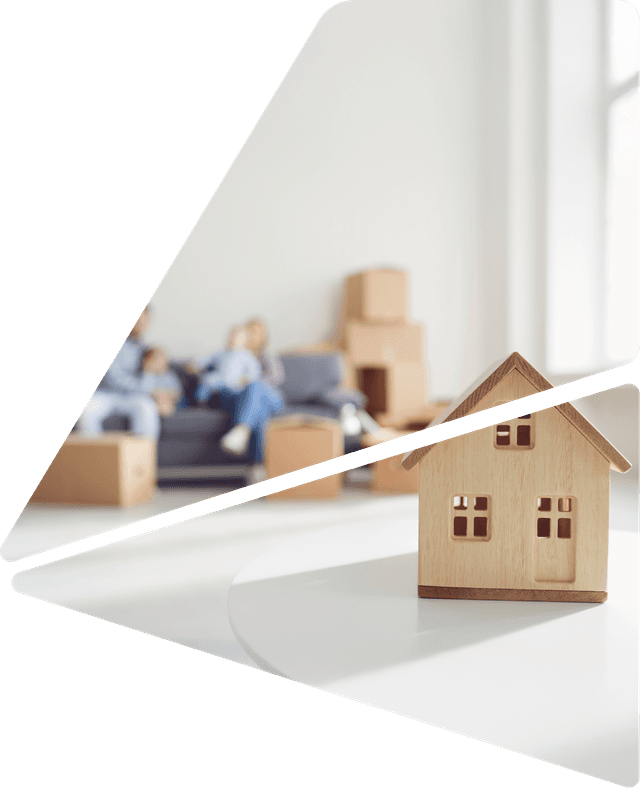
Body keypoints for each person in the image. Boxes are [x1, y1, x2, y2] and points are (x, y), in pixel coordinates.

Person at [194, 319, 284, 462]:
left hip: (269, 397)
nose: (253, 336)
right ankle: (257, 467)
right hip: (247, 400)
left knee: (255, 387)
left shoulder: (267, 358)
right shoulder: (226, 356)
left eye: (257, 333)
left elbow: (277, 378)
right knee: (260, 413)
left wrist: (249, 382)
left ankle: (241, 430)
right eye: (250, 331)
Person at [76, 307, 162, 439]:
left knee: (146, 407)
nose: (141, 326)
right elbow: (113, 379)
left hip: (132, 398)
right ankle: (96, 457)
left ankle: (142, 458)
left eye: (144, 323)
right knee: (85, 411)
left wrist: (149, 372)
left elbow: (153, 381)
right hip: (106, 394)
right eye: (138, 322)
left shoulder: (147, 349)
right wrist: (143, 389)